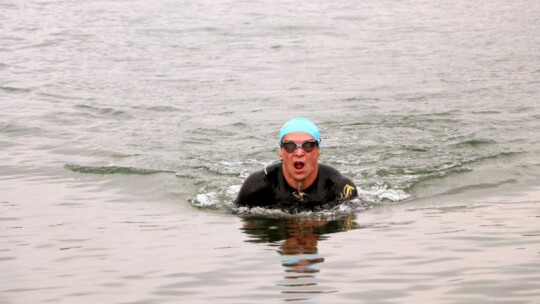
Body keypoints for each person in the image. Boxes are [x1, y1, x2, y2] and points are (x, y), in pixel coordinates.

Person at [235, 117, 358, 212]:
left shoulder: (340, 188)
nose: (299, 153)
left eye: (308, 145)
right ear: (281, 152)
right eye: (290, 146)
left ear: (318, 151)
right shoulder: (257, 186)